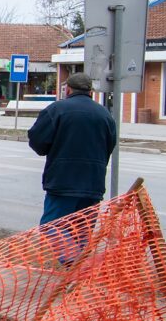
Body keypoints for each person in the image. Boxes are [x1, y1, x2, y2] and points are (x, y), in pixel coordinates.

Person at [27, 72, 117, 226]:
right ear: (90, 92)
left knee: (53, 234)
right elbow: (110, 146)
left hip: (62, 183)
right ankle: (79, 251)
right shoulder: (105, 115)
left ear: (68, 89)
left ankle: (62, 251)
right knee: (82, 235)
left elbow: (37, 141)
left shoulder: (56, 110)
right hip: (93, 184)